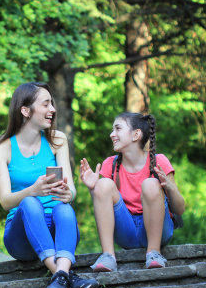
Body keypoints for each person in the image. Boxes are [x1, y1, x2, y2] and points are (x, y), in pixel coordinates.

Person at [0, 82, 98, 288]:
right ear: (25, 111)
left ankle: (60, 276)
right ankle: (64, 275)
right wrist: (32, 191)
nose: (52, 110)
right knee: (29, 203)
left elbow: (70, 188)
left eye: (52, 104)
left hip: (59, 231)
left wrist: (70, 194)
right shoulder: (3, 149)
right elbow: (5, 201)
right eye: (45, 104)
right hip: (22, 237)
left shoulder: (57, 140)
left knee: (64, 207)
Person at [79, 112, 185, 271]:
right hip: (125, 231)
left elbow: (180, 209)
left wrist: (168, 186)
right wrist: (93, 188)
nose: (112, 134)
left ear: (136, 134)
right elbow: (102, 205)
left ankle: (154, 253)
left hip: (157, 230)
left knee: (150, 184)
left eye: (117, 129)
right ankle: (108, 256)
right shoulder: (110, 164)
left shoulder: (159, 161)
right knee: (103, 184)